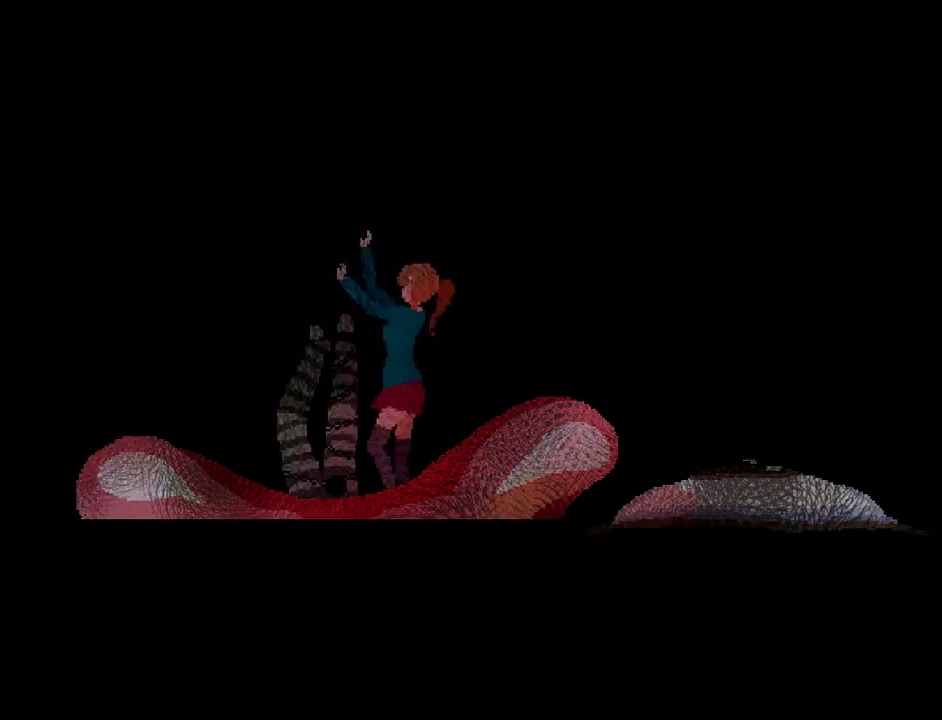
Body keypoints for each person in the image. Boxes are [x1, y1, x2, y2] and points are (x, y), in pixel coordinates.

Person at [337, 231, 455, 489]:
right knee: (400, 449)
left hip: (399, 387)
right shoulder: (413, 314)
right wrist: (365, 250)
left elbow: (370, 304)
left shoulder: (399, 314)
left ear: (415, 289)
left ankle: (392, 492)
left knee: (375, 446)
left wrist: (345, 281)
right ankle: (404, 492)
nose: (401, 288)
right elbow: (375, 290)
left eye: (405, 285)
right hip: (411, 386)